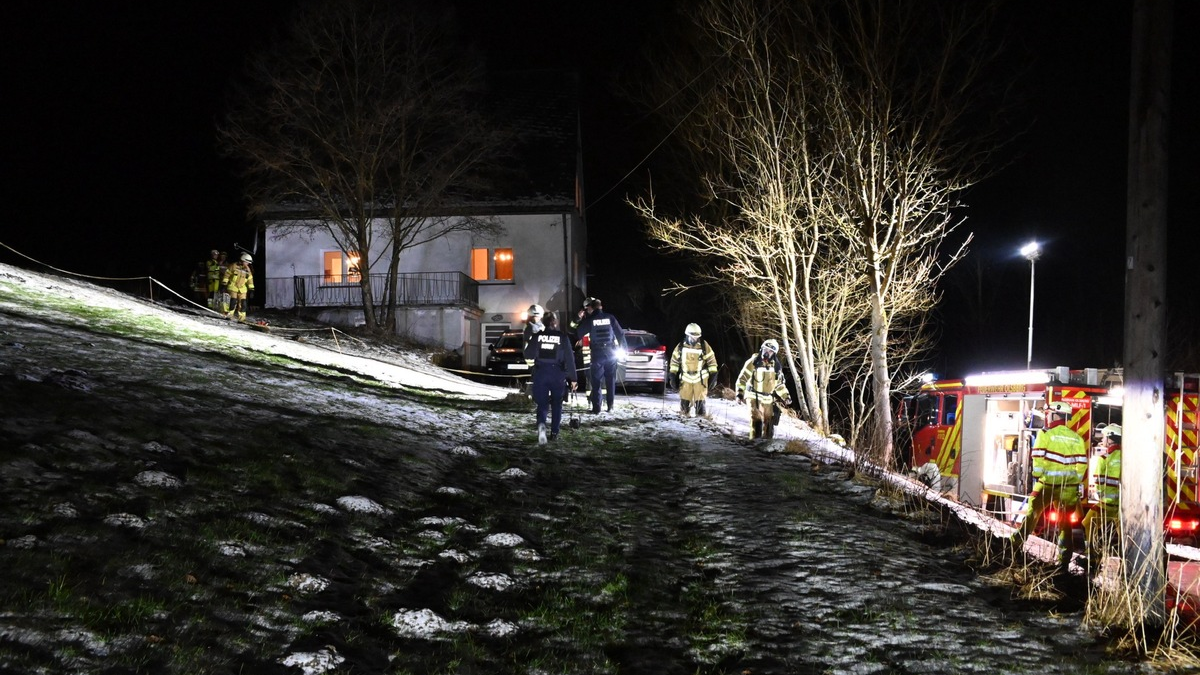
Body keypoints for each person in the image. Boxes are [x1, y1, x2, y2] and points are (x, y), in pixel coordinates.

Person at [1014, 400, 1089, 560]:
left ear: (1055, 415)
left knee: (1033, 515)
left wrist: (1037, 474)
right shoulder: (1077, 438)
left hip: (1047, 484)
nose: (1047, 417)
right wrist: (1074, 480)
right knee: (1065, 524)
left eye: (1048, 414)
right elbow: (1082, 464)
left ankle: (1014, 545)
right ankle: (1064, 560)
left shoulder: (1045, 434)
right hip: (1068, 487)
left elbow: (1037, 456)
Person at [523, 312, 577, 444]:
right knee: (557, 403)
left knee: (542, 404)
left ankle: (542, 426)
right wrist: (573, 379)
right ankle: (554, 432)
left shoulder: (537, 336)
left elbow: (528, 354)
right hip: (557, 374)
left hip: (541, 373)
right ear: (555, 322)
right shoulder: (562, 338)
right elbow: (570, 359)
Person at [573, 297, 625, 414]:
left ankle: (597, 408)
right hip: (611, 352)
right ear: (601, 307)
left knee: (596, 381)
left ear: (591, 308)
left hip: (597, 353)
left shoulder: (591, 319)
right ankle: (610, 406)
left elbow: (577, 333)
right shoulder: (610, 317)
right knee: (610, 380)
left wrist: (578, 320)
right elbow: (620, 334)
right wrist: (621, 348)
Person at [735, 339, 792, 439]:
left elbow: (779, 385)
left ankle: (766, 444)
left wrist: (786, 396)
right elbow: (742, 378)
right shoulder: (753, 362)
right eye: (765, 349)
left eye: (770, 351)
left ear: (774, 354)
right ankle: (754, 443)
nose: (767, 353)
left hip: (768, 399)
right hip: (753, 396)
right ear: (762, 349)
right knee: (757, 420)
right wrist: (739, 393)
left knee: (769, 424)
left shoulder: (776, 367)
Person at [1083, 424, 1122, 556]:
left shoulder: (1104, 458)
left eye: (1105, 437)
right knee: (1123, 533)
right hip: (1121, 505)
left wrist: (1099, 495)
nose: (1102, 439)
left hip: (1106, 504)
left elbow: (1098, 480)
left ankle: (1092, 554)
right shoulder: (1126, 458)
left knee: (1088, 523)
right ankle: (1126, 558)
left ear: (1110, 439)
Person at [669, 323, 719, 417]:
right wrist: (672, 375)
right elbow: (674, 362)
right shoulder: (680, 346)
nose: (694, 339)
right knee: (684, 403)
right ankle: (684, 419)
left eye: (696, 337)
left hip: (700, 379)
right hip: (685, 378)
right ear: (687, 335)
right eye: (692, 337)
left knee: (700, 403)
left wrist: (714, 375)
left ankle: (700, 420)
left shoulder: (704, 346)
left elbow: (712, 361)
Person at [221, 253, 256, 322]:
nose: (248, 264)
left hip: (242, 289)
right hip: (233, 287)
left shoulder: (248, 269)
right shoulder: (233, 266)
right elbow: (227, 275)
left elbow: (250, 279)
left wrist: (251, 289)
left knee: (243, 304)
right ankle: (229, 315)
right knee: (232, 302)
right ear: (242, 260)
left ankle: (242, 318)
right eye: (247, 262)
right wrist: (224, 284)